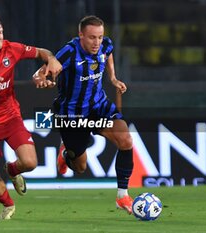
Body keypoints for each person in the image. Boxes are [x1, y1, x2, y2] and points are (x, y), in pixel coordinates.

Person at [0, 10, 62, 220]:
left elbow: (42, 52)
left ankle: (13, 170)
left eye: (1, 32)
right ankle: (7, 205)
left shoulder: (11, 49)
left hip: (10, 117)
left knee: (31, 163)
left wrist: (50, 59)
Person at [33, 15, 134, 214]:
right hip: (72, 115)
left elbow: (109, 53)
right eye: (92, 38)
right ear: (81, 35)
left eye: (99, 36)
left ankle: (122, 196)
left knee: (126, 141)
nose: (97, 42)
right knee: (80, 167)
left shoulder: (105, 44)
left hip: (98, 106)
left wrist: (112, 77)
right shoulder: (69, 52)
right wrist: (40, 79)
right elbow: (40, 72)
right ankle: (65, 153)